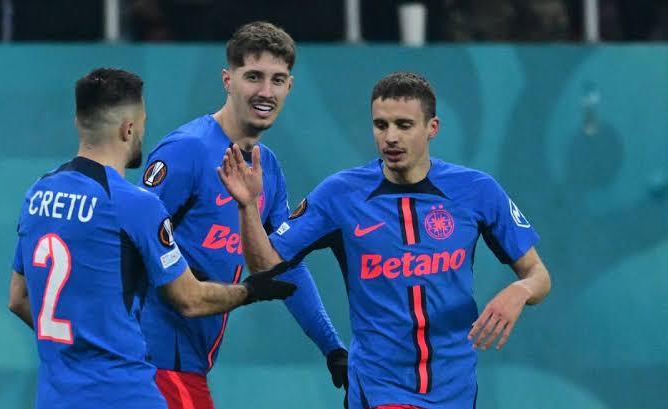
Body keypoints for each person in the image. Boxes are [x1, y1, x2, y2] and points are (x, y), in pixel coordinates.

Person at [218, 71, 552, 409]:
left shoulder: (477, 190)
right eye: (381, 125)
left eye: (404, 125)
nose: (390, 137)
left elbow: (538, 276)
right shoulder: (340, 194)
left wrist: (520, 290)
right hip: (381, 389)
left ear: (432, 127)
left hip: (456, 389)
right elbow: (265, 265)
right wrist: (248, 207)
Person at [6, 67, 297, 409]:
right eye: (143, 121)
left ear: (79, 123)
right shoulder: (135, 204)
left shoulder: (38, 195)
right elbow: (190, 299)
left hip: (56, 398)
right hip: (125, 395)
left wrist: (78, 345)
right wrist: (250, 291)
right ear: (128, 128)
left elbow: (18, 299)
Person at [139, 21, 348, 409]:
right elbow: (128, 243)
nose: (266, 92)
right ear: (227, 80)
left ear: (290, 86)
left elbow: (282, 266)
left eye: (277, 80)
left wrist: (333, 348)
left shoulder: (268, 168)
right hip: (152, 363)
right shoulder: (187, 150)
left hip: (189, 363)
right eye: (253, 77)